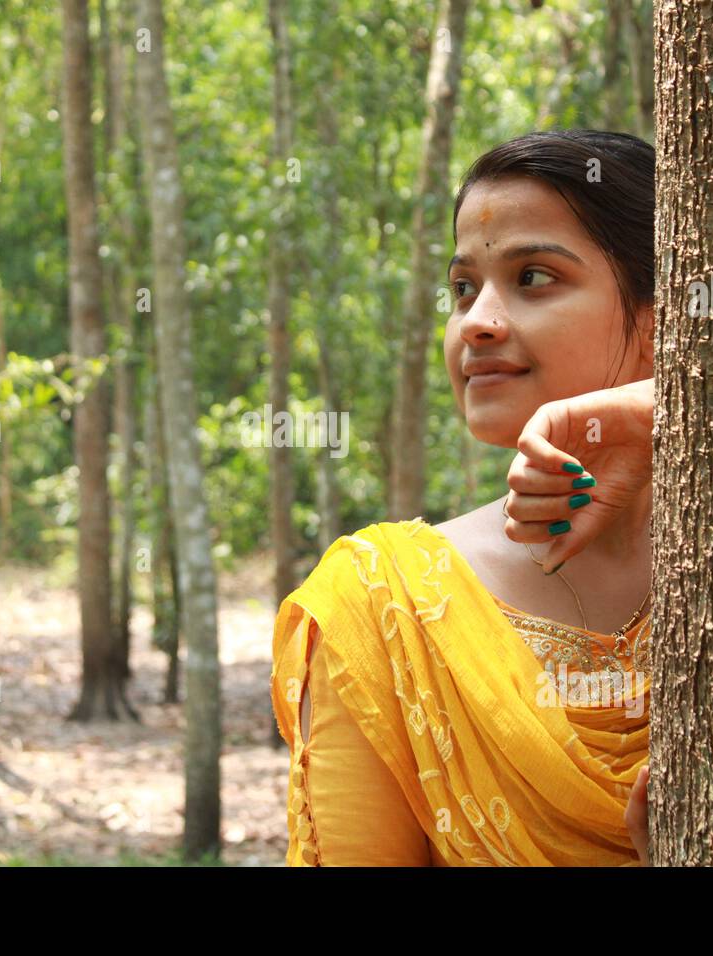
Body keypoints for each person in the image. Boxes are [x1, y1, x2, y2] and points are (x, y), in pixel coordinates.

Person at [271, 130, 658, 866]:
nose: (476, 321)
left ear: (656, 317)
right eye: (461, 288)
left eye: (534, 277)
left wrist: (672, 409)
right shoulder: (382, 605)